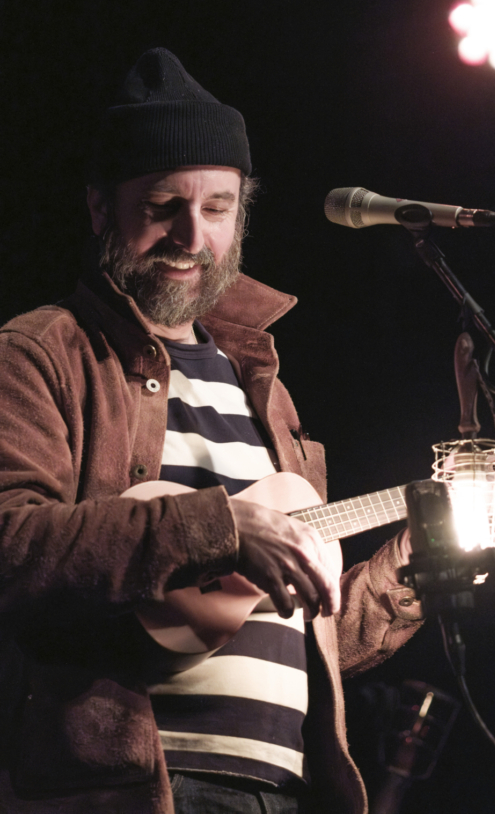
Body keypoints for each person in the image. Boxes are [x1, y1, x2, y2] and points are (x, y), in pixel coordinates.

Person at [0, 49, 424, 814]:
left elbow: (298, 632)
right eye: (163, 205)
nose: (191, 236)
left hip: (280, 791)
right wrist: (217, 530)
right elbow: (10, 544)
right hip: (130, 790)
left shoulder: (266, 389)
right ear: (100, 209)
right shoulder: (40, 353)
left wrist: (411, 570)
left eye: (218, 209)